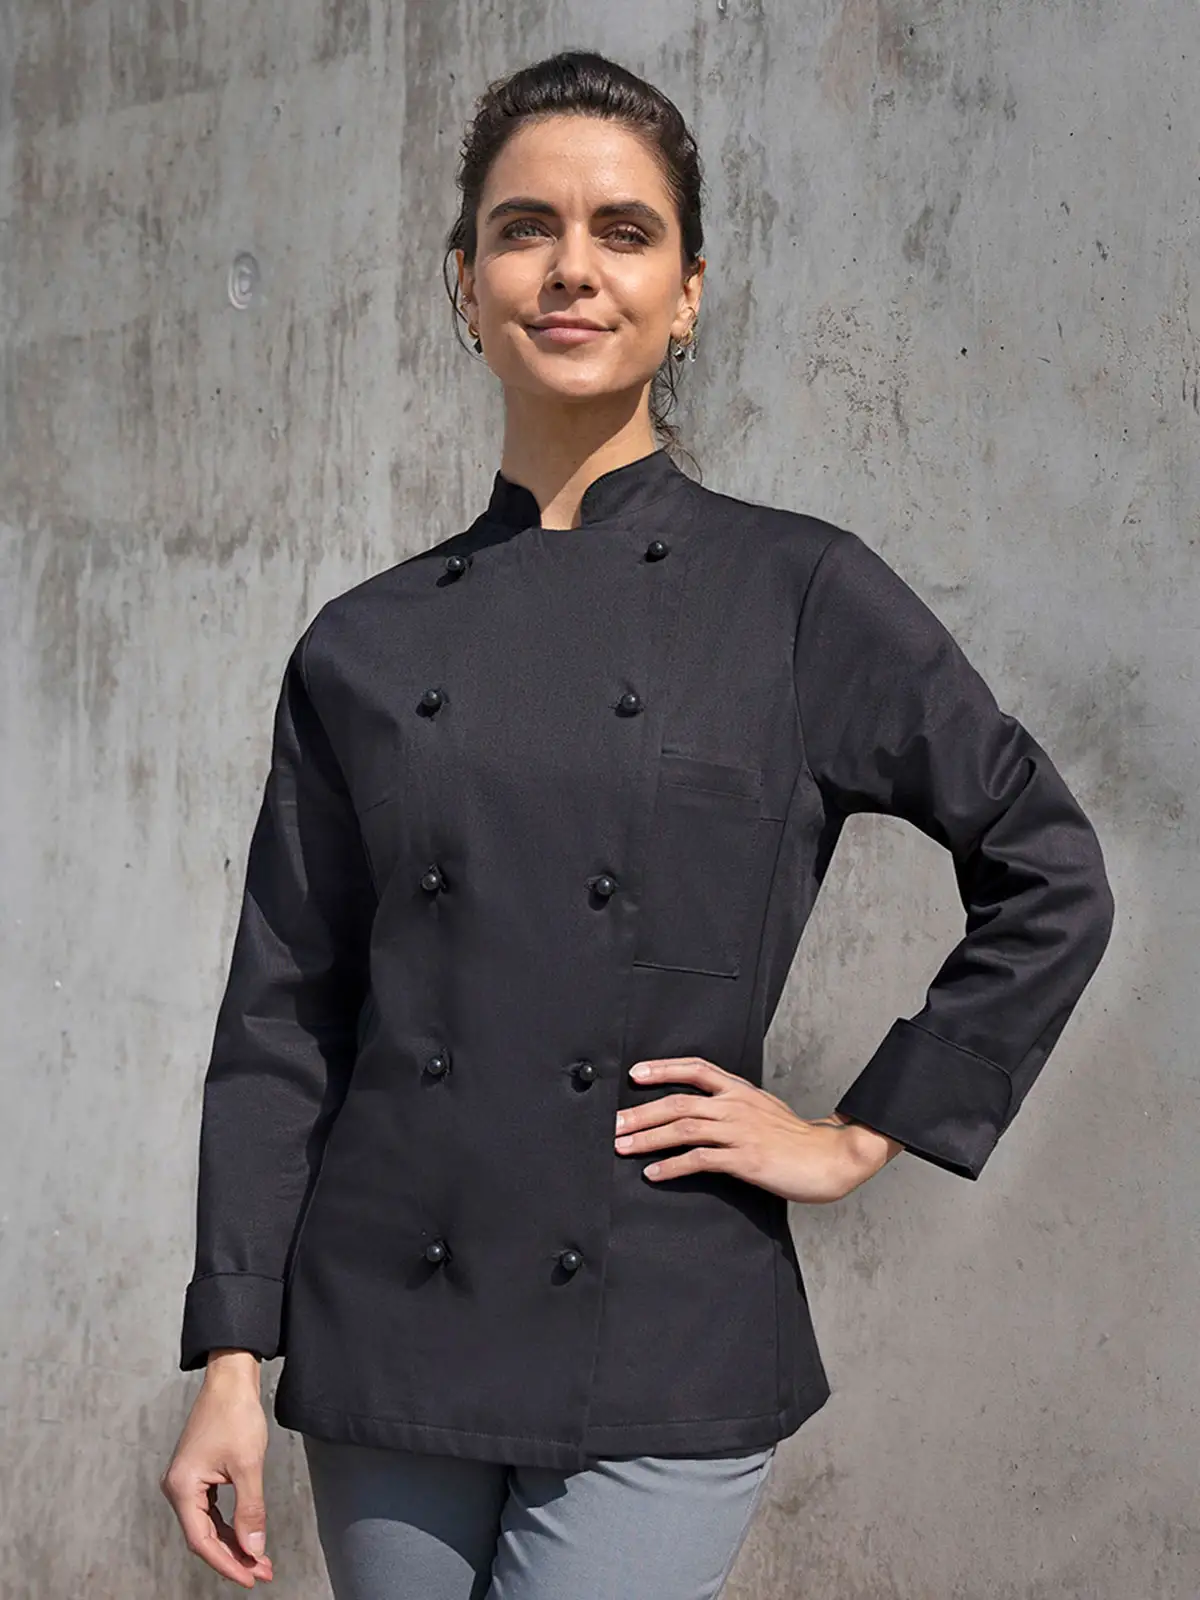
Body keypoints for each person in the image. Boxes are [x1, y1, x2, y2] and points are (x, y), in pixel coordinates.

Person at [160, 48, 1115, 1599]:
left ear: (686, 295)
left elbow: (1049, 869)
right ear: (464, 283)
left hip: (664, 1312)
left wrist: (855, 1133)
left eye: (624, 230)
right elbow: (284, 1016)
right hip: (389, 1322)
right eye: (524, 228)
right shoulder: (361, 644)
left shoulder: (799, 594)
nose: (571, 268)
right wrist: (228, 1356)